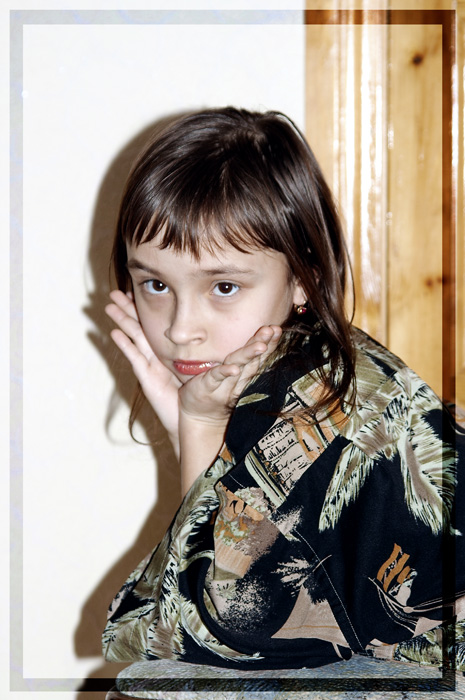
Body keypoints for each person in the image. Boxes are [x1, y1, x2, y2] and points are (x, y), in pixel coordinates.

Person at [102, 107, 464, 671]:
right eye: (155, 284)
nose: (180, 328)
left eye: (224, 287)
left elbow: (187, 635)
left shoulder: (301, 406)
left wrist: (197, 425)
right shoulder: (313, 365)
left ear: (303, 277)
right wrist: (194, 427)